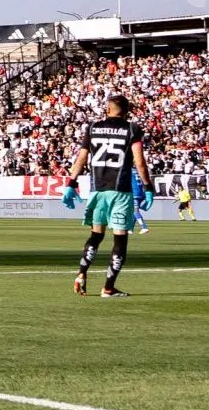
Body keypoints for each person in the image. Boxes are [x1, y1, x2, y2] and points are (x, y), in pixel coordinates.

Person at [61, 93, 150, 298]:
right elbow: (139, 161)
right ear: (127, 112)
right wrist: (148, 187)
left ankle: (81, 273)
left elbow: (81, 158)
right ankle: (108, 288)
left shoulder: (93, 128)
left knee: (96, 235)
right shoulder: (131, 129)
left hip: (97, 191)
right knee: (120, 240)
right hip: (120, 192)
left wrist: (71, 183)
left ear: (107, 109)